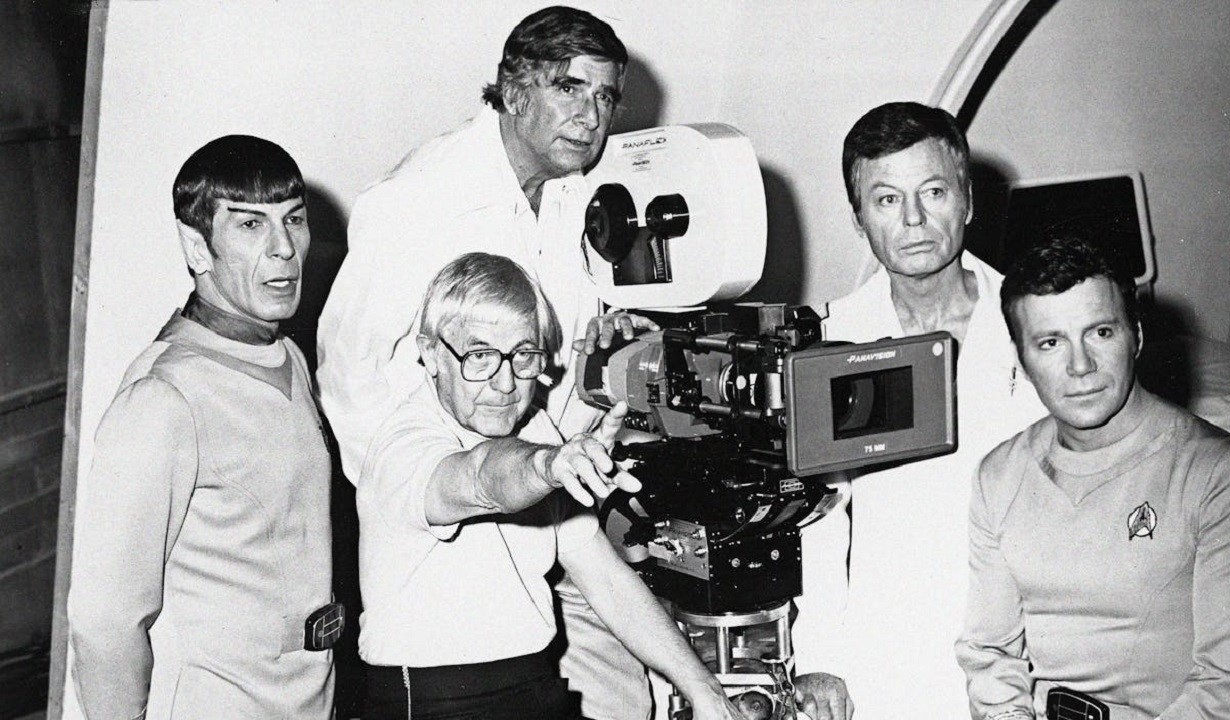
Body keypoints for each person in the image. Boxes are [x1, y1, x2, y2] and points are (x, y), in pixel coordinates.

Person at [315, 8, 652, 716]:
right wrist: (422, 507)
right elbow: (350, 378)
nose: (591, 116)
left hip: (558, 508)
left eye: (605, 97)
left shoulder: (577, 197)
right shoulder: (419, 199)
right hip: (454, 522)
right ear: (514, 89)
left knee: (630, 700)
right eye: (571, 88)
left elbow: (559, 369)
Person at [357, 252, 744, 720]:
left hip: (534, 685)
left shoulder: (535, 425)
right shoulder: (403, 445)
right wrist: (547, 466)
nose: (505, 383)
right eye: (479, 356)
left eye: (523, 357)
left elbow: (604, 578)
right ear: (432, 353)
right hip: (433, 700)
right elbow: (481, 476)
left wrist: (704, 689)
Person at [67, 135, 338, 719]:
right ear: (197, 245)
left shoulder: (287, 355)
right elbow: (103, 618)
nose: (284, 249)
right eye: (250, 225)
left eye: (294, 220)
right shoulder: (163, 398)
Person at [956, 235, 1230, 720]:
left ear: (1137, 336)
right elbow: (990, 655)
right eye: (1050, 342)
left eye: (1101, 333)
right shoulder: (998, 475)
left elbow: (1226, 688)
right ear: (1021, 360)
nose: (1080, 366)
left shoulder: (1222, 475)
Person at [791, 102, 1046, 718]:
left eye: (933, 191)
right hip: (884, 657)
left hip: (1024, 653)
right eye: (886, 200)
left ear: (968, 201)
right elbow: (820, 519)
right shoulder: (829, 341)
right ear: (858, 219)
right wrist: (821, 655)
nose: (913, 219)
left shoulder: (1035, 327)